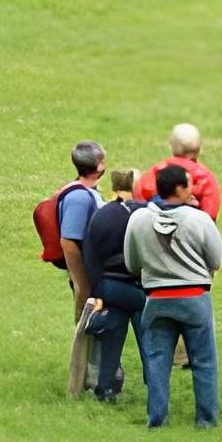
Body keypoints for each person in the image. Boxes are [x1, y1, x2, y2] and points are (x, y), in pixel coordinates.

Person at [128, 163, 222, 428]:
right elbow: (216, 259)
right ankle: (205, 420)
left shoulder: (138, 219)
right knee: (203, 360)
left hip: (156, 298)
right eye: (189, 183)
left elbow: (131, 262)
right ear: (180, 189)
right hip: (194, 296)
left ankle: (156, 418)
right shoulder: (199, 219)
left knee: (157, 360)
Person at [82, 169, 145, 401]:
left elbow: (90, 257)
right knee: (148, 336)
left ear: (113, 186)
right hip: (139, 288)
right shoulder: (144, 212)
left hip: (110, 287)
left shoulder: (102, 215)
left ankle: (105, 389)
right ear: (133, 186)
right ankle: (156, 385)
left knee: (114, 334)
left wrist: (98, 291)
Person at [53, 141, 108, 397]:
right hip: (86, 275)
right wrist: (81, 284)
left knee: (99, 325)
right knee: (90, 326)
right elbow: (68, 242)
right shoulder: (78, 197)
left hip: (93, 273)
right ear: (98, 166)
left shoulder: (87, 191)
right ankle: (88, 382)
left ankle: (97, 378)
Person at [160, 123, 222, 220]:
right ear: (200, 150)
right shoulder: (207, 179)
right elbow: (211, 217)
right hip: (194, 230)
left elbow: (140, 200)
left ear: (171, 146)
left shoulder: (159, 171)